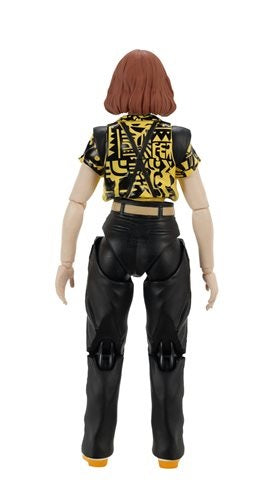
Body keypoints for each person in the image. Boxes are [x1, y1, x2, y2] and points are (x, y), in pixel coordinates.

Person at [55, 49, 218, 469]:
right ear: (163, 87)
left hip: (116, 238)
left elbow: (76, 202)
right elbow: (200, 208)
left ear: (119, 87)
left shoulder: (103, 138)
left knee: (103, 350)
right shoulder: (178, 140)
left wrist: (66, 261)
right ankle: (169, 454)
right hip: (165, 241)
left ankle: (96, 451)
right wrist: (208, 268)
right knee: (168, 352)